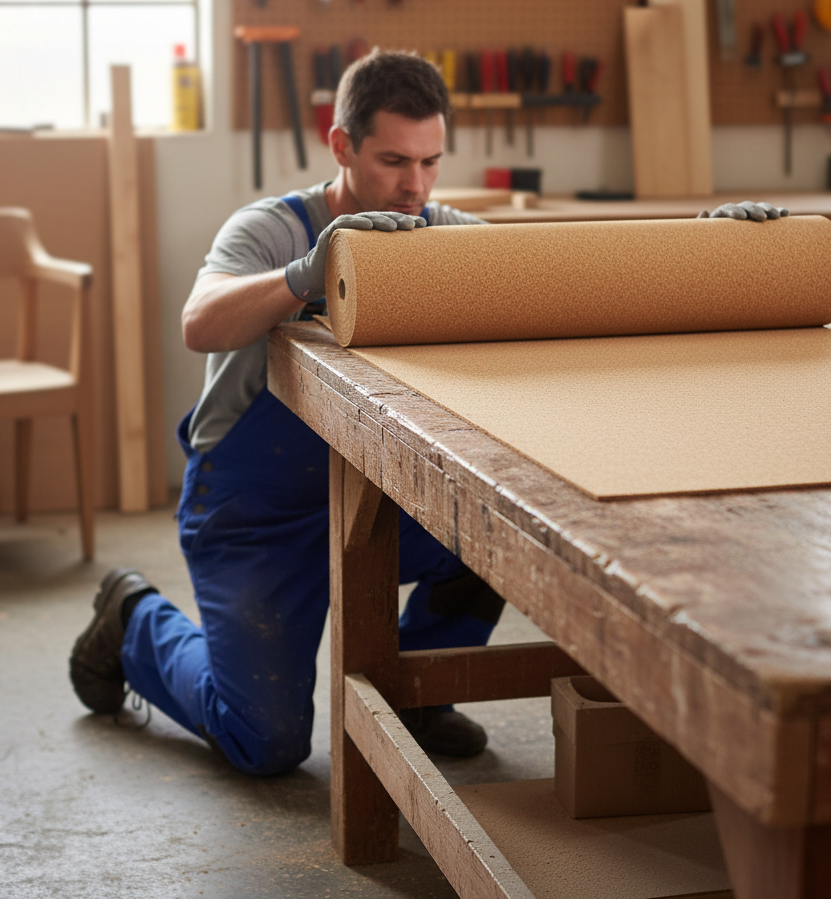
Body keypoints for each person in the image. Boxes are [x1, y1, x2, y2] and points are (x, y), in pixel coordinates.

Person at [69, 50, 506, 776]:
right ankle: (132, 621)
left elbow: (542, 270)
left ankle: (419, 695)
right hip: (255, 514)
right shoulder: (272, 229)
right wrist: (305, 275)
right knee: (265, 742)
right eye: (394, 161)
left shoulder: (434, 228)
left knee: (494, 535)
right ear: (341, 146)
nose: (415, 186)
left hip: (373, 499)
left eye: (431, 162)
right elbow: (200, 323)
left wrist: (693, 245)